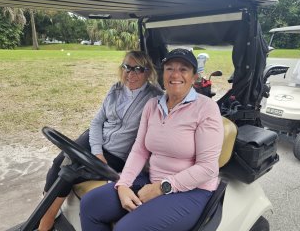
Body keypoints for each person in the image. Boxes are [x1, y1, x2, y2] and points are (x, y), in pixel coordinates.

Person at [80, 48, 224, 231]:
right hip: (151, 178)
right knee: (90, 204)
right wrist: (123, 184)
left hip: (192, 190)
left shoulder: (206, 108)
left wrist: (160, 188)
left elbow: (207, 168)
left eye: (183, 69)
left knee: (126, 229)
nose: (175, 74)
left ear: (194, 77)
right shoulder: (153, 105)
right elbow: (139, 150)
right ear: (163, 74)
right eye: (170, 68)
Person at [38, 51, 163, 231]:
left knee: (69, 173)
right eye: (127, 67)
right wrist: (97, 151)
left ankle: (45, 224)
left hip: (117, 154)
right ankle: (47, 206)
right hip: (94, 141)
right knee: (59, 161)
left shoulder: (154, 98)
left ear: (148, 72)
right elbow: (97, 122)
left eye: (138, 69)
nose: (131, 74)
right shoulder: (116, 89)